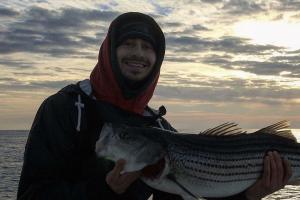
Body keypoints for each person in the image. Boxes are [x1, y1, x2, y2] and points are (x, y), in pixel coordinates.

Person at [17, 12, 292, 200]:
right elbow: (31, 195)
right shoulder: (64, 109)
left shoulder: (159, 128)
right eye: (128, 44)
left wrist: (250, 195)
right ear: (108, 51)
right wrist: (104, 190)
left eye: (147, 48)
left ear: (157, 59)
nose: (138, 53)